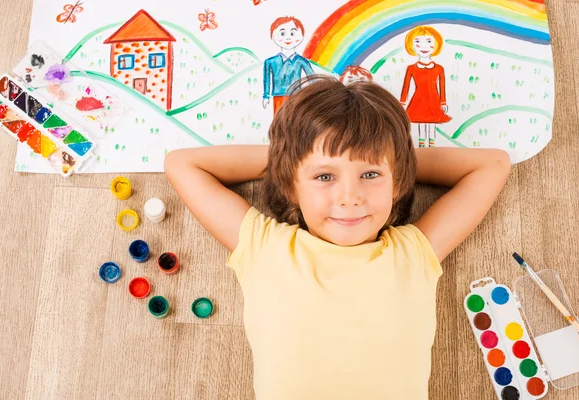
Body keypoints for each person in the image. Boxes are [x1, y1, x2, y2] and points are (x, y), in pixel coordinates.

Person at [165, 75, 511, 399]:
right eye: (325, 177)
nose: (350, 197)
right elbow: (182, 164)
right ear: (290, 183)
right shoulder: (265, 246)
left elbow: (493, 165)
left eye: (371, 174)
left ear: (398, 182)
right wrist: (294, 155)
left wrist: (392, 154)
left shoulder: (413, 252)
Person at [400, 26, 451, 148]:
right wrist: (402, 102)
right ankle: (422, 148)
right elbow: (406, 86)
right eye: (417, 42)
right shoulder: (411, 68)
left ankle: (432, 149)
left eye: (429, 41)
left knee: (432, 125)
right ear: (410, 45)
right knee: (421, 125)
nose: (424, 46)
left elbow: (442, 86)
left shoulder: (439, 68)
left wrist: (443, 102)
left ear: (436, 44)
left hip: (433, 99)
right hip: (419, 99)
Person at [262, 16, 314, 115]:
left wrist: (313, 96)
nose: (288, 37)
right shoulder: (270, 62)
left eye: (292, 33)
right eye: (282, 33)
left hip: (296, 97)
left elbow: (312, 78)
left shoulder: (301, 61)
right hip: (278, 97)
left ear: (301, 36)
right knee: (279, 122)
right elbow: (267, 80)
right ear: (273, 36)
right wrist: (266, 96)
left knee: (294, 122)